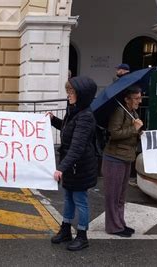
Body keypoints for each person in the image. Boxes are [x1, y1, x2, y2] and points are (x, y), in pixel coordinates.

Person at [47, 76, 98, 251]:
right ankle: (66, 229)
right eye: (68, 91)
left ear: (81, 94)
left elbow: (77, 147)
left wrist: (61, 167)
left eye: (71, 92)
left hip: (80, 166)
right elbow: (68, 129)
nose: (68, 95)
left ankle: (82, 236)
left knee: (80, 200)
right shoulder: (74, 111)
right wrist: (54, 120)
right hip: (71, 165)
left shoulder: (85, 117)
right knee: (68, 197)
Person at [102, 86, 143, 238]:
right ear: (127, 99)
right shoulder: (119, 112)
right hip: (114, 158)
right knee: (113, 195)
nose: (139, 101)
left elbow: (132, 132)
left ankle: (120, 223)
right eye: (136, 98)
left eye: (140, 98)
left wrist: (140, 132)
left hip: (126, 157)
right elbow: (114, 133)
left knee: (120, 195)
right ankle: (113, 227)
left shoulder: (132, 112)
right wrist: (134, 129)